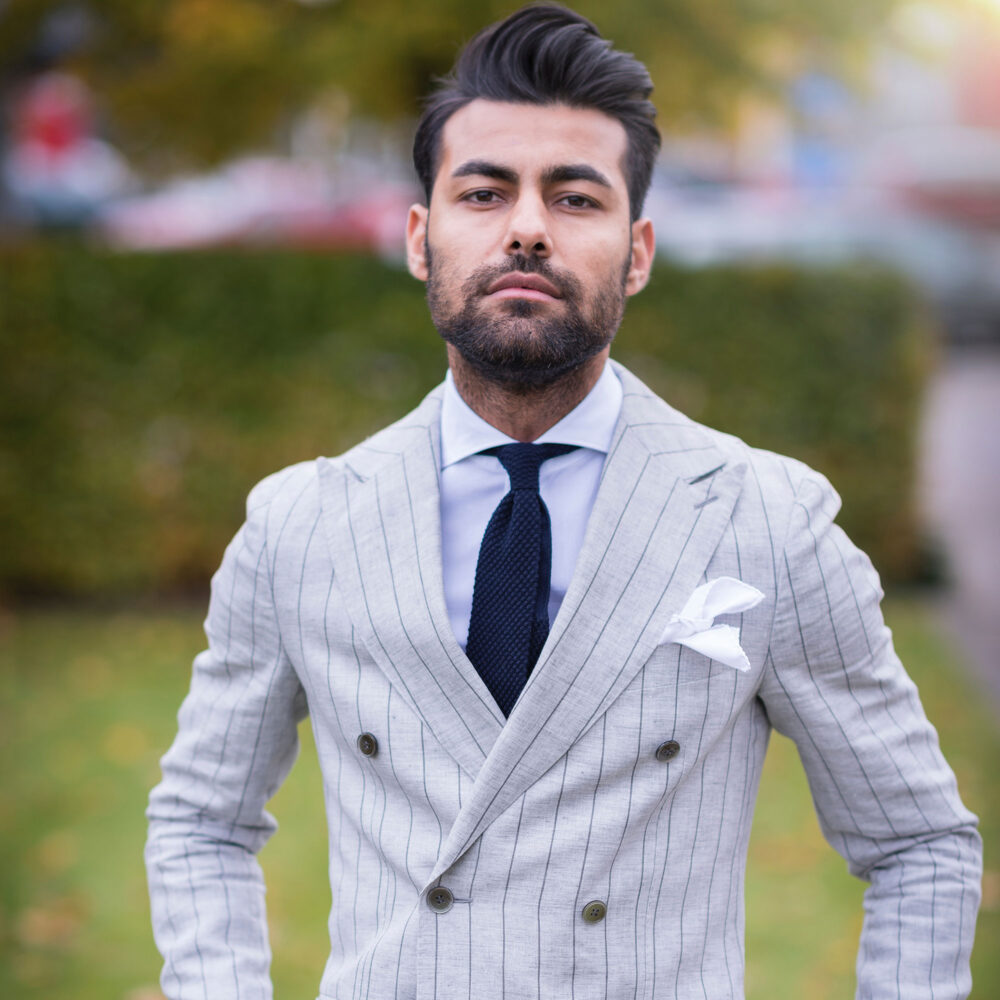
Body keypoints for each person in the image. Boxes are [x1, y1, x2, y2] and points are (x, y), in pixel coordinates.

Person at [145, 5, 982, 998]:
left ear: (637, 251)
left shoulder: (764, 519)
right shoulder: (299, 528)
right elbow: (201, 819)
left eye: (576, 198)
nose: (528, 228)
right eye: (485, 192)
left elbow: (918, 839)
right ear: (421, 237)